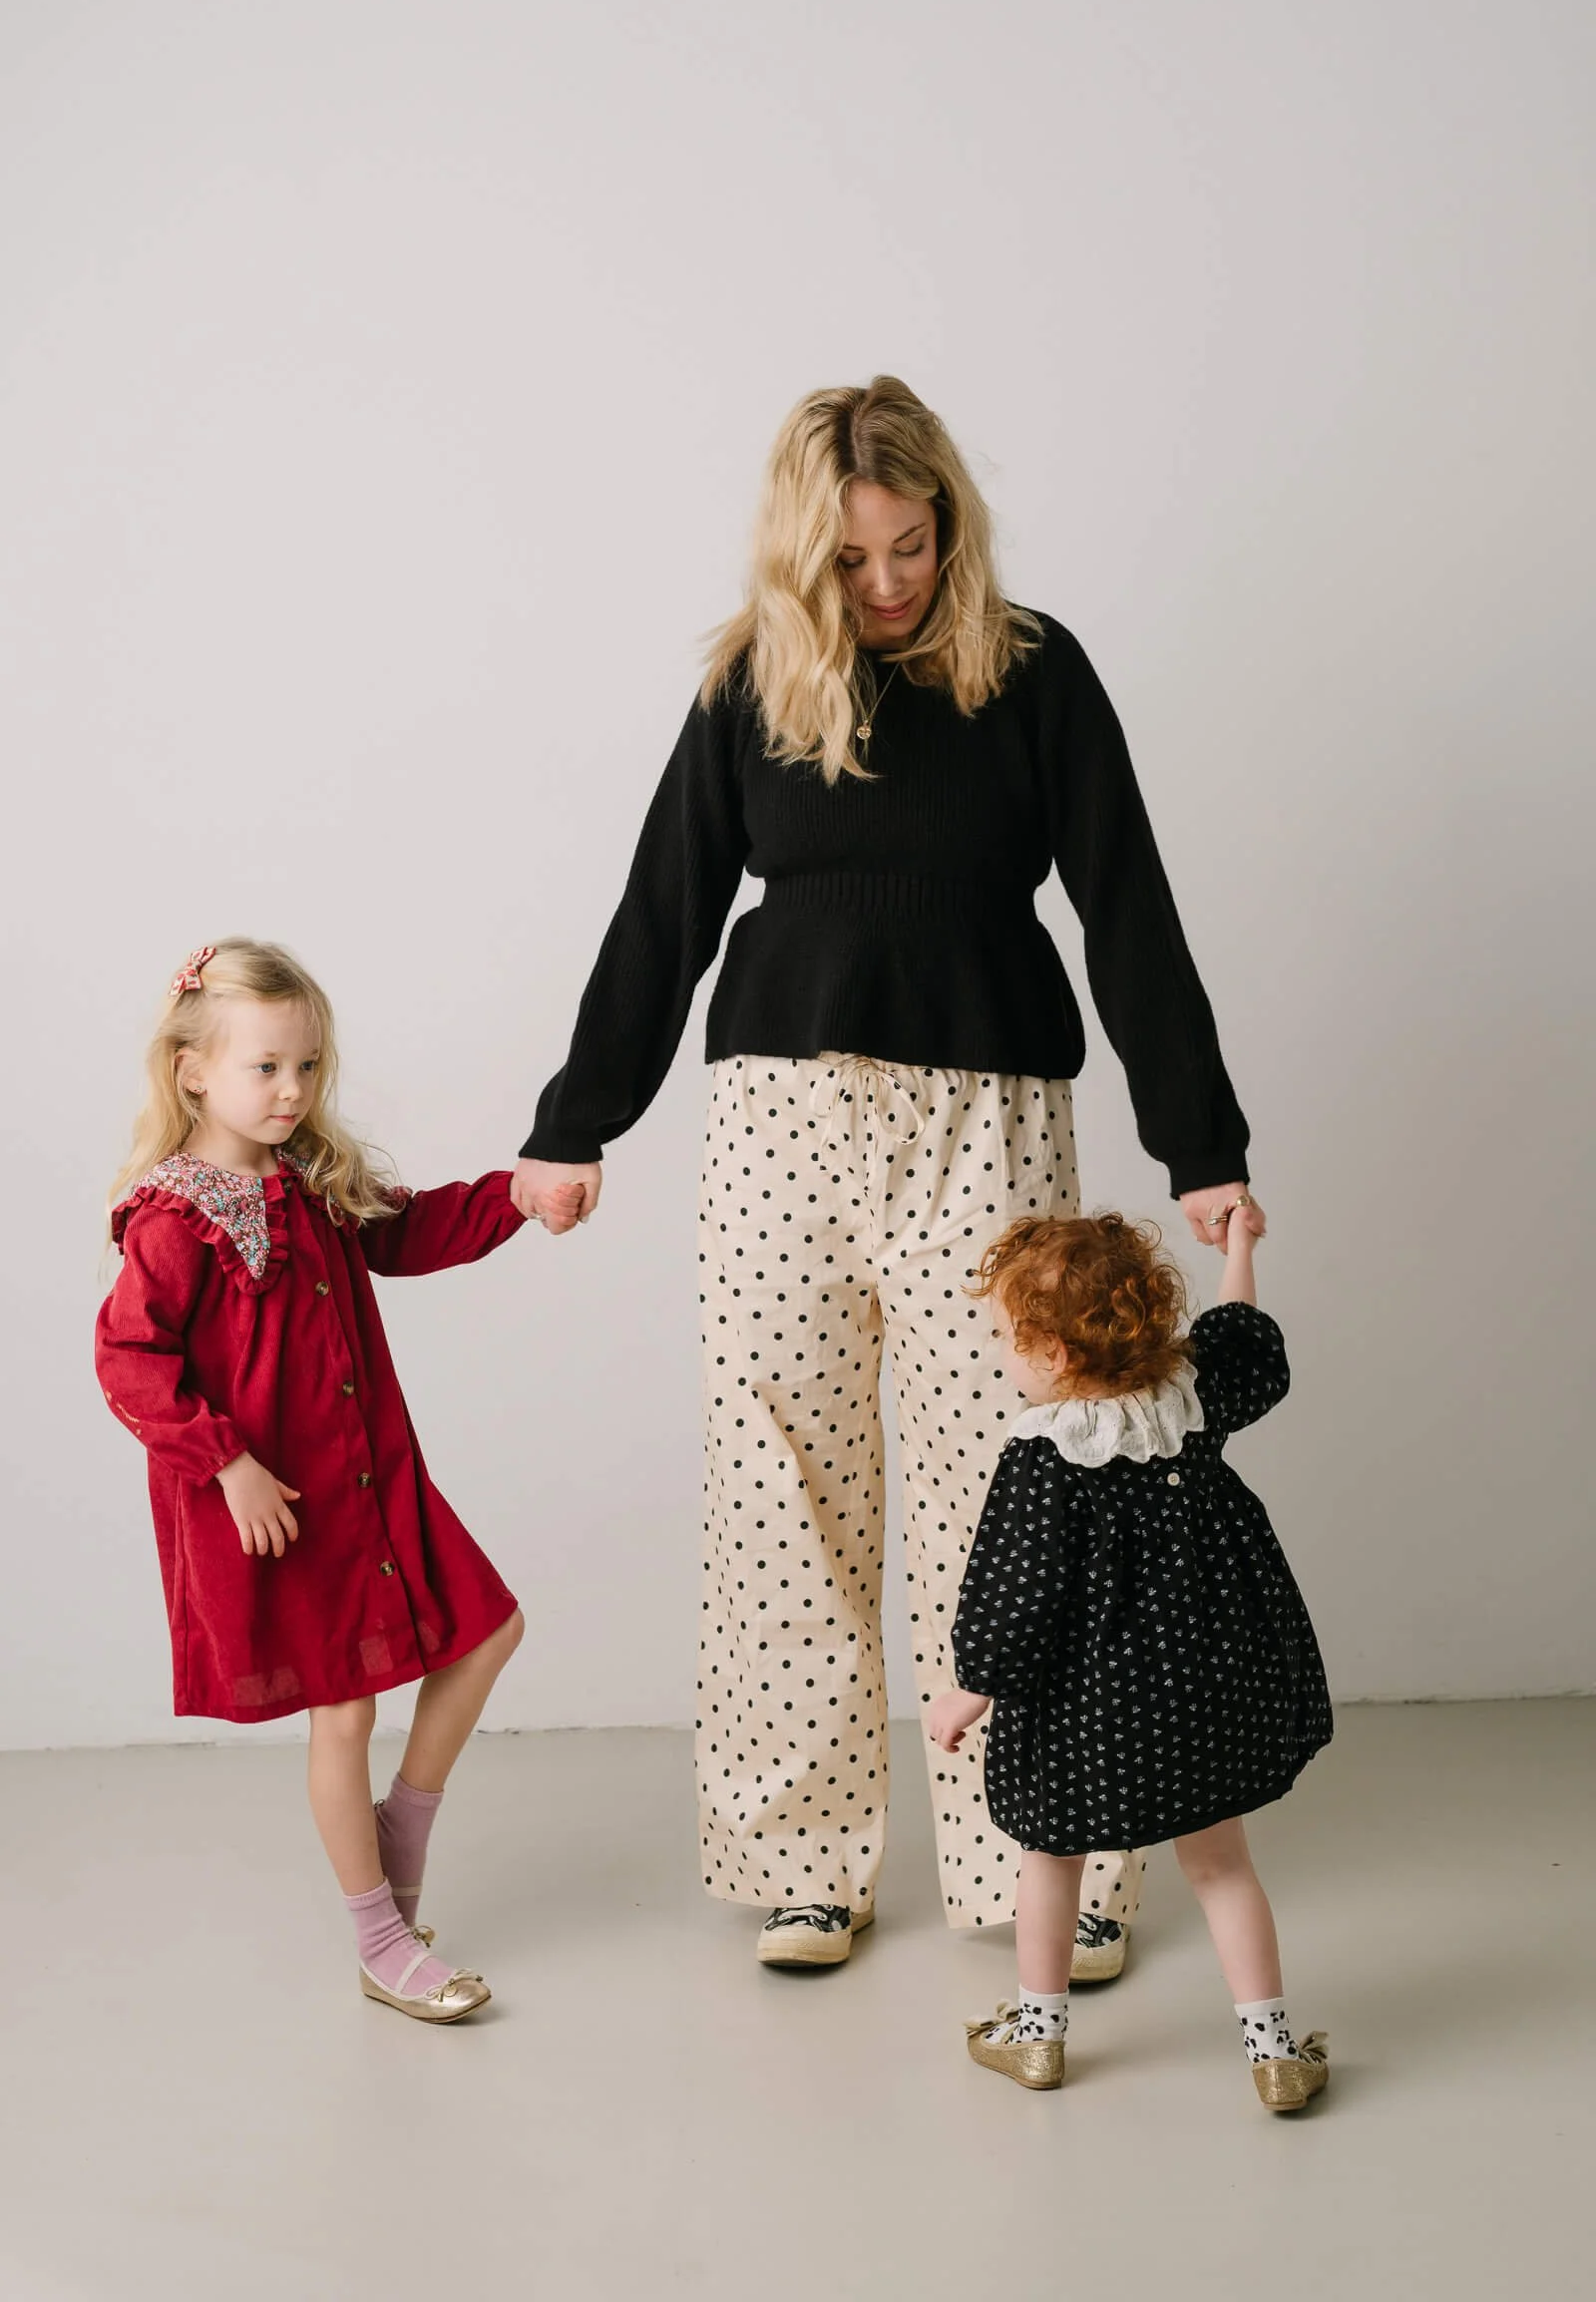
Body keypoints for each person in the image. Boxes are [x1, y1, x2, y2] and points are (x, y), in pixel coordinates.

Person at [514, 374, 1259, 1973]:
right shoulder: (753, 685)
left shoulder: (1035, 674)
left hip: (985, 1119)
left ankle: (1043, 1857)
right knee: (781, 1480)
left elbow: (1127, 904)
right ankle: (807, 1863)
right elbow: (666, 910)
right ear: (805, 558)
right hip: (782, 1116)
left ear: (949, 523)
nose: (892, 582)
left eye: (913, 545)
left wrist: (1203, 1143)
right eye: (855, 561)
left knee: (1018, 1483)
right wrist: (578, 1122)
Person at [96, 939, 562, 2023]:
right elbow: (128, 1360)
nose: (293, 1090)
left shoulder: (312, 1180)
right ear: (193, 1070)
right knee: (344, 1712)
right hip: (285, 1508)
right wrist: (230, 1465)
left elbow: (411, 1233)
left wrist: (518, 1195)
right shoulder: (174, 1217)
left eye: (307, 1067)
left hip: (371, 1481)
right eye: (266, 1068)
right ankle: (378, 1935)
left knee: (489, 1629)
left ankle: (402, 1826)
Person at [932, 1204, 1331, 2110]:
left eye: (1006, 1336)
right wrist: (1238, 1249)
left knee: (1050, 1858)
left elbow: (1015, 1595)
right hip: (1200, 1694)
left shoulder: (1045, 1457)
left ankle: (1037, 2038)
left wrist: (972, 1688)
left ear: (1057, 1354)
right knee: (1223, 1867)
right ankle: (1272, 2053)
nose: (1000, 1353)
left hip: (1086, 1712)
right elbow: (1244, 1345)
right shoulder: (1187, 1405)